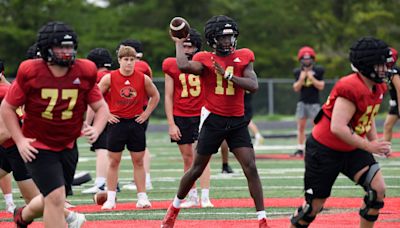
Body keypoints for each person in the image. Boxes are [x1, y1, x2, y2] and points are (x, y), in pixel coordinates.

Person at [162, 15, 269, 228]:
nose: (228, 42)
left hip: (238, 121)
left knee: (251, 167)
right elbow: (182, 65)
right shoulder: (204, 58)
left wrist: (230, 77)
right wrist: (179, 42)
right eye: (223, 38)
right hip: (214, 120)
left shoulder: (244, 56)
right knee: (196, 169)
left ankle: (262, 218)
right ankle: (173, 209)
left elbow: (253, 85)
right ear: (213, 40)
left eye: (230, 37)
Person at [1, 21, 109, 227]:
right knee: (56, 197)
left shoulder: (85, 70)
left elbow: (101, 107)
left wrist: (96, 128)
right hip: (38, 145)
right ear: (46, 48)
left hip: (68, 145)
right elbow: (7, 108)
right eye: (61, 46)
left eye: (69, 46)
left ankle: (22, 216)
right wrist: (20, 139)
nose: (66, 52)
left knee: (52, 196)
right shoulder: (30, 71)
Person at [289, 37, 391, 228]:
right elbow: (338, 127)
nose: (385, 68)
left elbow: (366, 119)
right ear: (367, 65)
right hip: (324, 150)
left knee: (377, 191)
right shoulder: (350, 86)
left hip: (352, 148)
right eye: (380, 64)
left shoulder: (378, 86)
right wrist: (370, 146)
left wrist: (376, 142)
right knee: (314, 207)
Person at [98, 45, 159, 210]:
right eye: (126, 59)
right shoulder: (110, 78)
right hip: (116, 123)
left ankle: (142, 197)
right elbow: (96, 96)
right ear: (119, 60)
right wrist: (107, 114)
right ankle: (110, 199)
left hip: (135, 123)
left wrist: (146, 114)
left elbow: (155, 95)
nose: (129, 63)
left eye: (132, 60)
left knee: (138, 161)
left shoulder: (142, 78)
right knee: (113, 161)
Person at [163, 28, 214, 208]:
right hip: (181, 115)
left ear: (197, 47)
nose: (186, 49)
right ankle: (192, 196)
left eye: (189, 46)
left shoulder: (203, 62)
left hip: (202, 114)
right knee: (187, 158)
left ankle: (205, 197)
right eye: (183, 45)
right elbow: (168, 96)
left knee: (202, 156)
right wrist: (171, 123)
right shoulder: (171, 64)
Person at [117, 39, 154, 191]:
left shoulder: (140, 66)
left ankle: (145, 180)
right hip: (137, 108)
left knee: (139, 148)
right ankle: (144, 179)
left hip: (138, 110)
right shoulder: (141, 65)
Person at [82, 48, 113, 194]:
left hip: (103, 118)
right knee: (112, 152)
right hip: (117, 117)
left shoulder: (97, 77)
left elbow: (92, 103)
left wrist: (87, 124)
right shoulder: (113, 75)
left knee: (102, 149)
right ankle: (112, 182)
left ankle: (101, 183)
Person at [292, 46, 325, 157]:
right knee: (301, 127)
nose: (306, 61)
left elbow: (321, 86)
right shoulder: (297, 72)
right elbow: (296, 88)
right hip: (302, 102)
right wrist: (302, 78)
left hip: (314, 103)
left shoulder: (318, 70)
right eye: (304, 59)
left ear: (312, 59)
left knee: (317, 127)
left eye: (308, 58)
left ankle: (318, 147)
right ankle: (300, 148)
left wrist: (312, 78)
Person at [383, 47, 399, 142]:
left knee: (387, 125)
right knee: (387, 125)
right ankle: (385, 150)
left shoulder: (393, 71)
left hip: (398, 104)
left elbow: (399, 89)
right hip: (395, 104)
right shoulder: (387, 72)